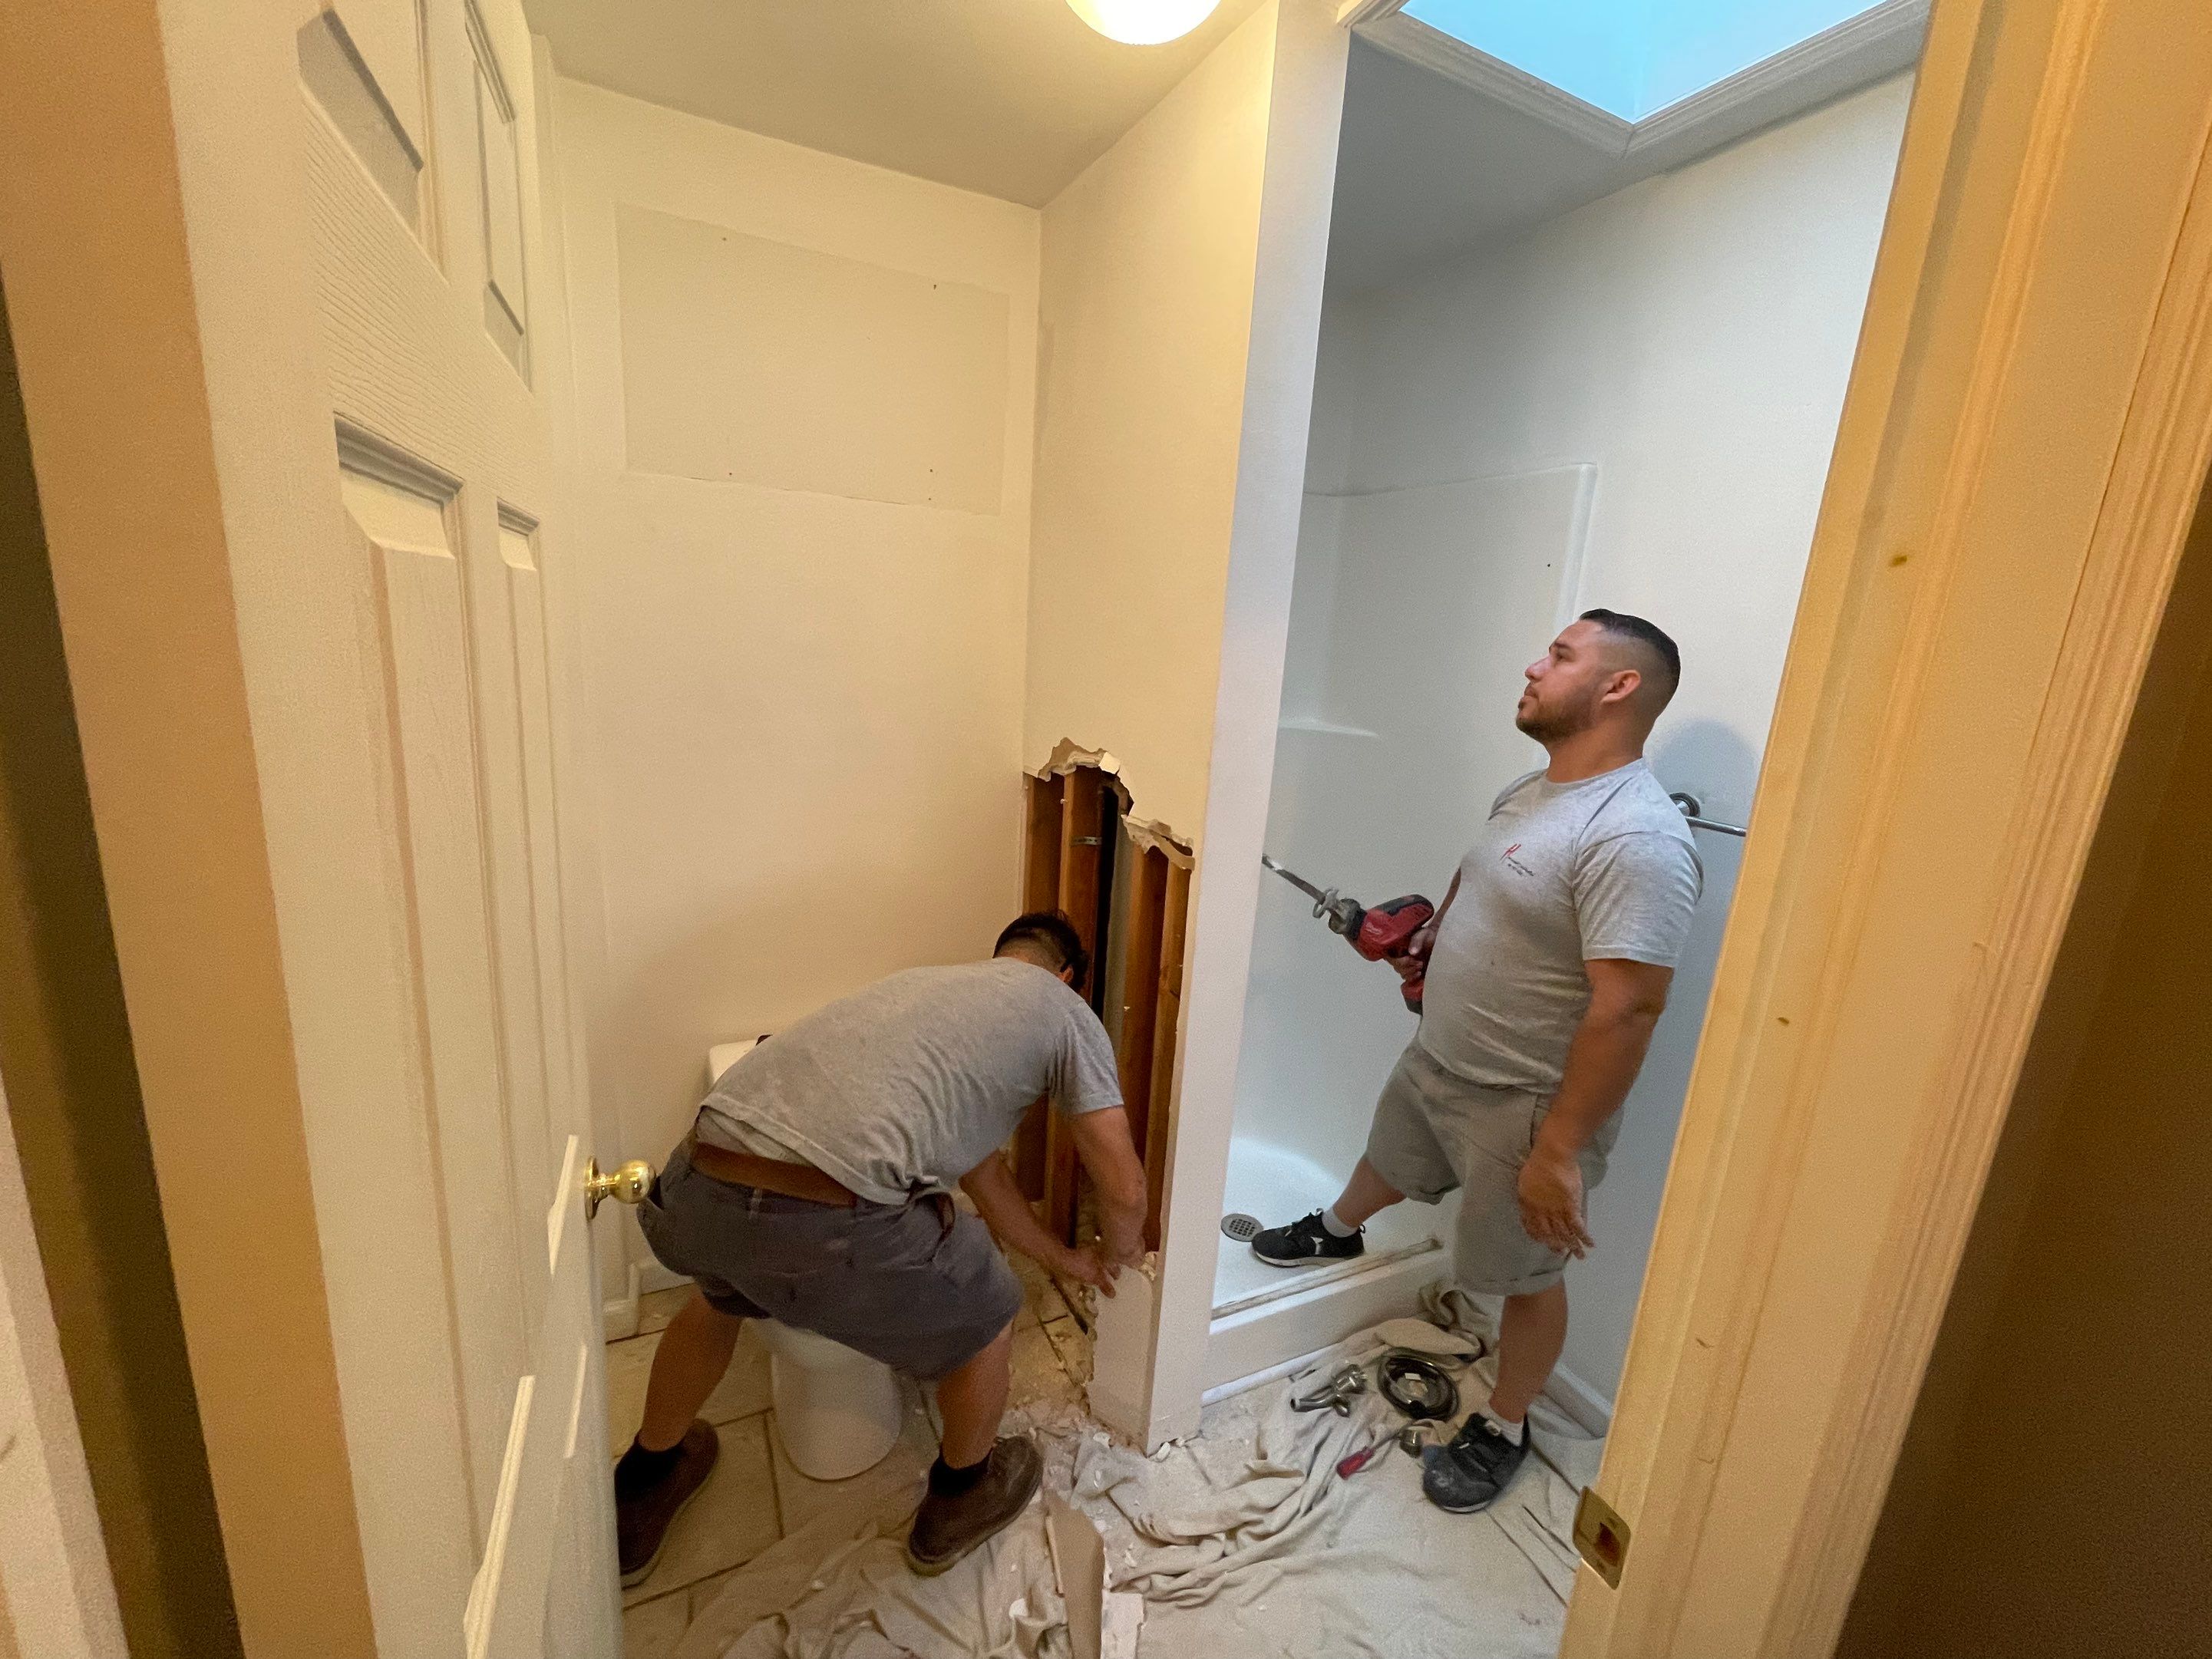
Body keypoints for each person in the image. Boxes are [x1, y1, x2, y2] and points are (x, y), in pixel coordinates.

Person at [1249, 610, 1702, 1515]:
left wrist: (1559, 1150)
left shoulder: (1634, 836)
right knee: (1389, 1155)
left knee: (1525, 1276)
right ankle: (1337, 1228)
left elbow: (1628, 1006)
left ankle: (1506, 1419)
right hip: (1442, 1055)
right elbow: (1476, 882)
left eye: (1561, 656)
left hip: (1523, 1103)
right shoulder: (1531, 789)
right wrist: (1428, 945)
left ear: (1618, 688)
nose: (1534, 664)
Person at [612, 912, 1149, 1583]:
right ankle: (963, 1495)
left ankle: (644, 1479)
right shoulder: (1065, 1013)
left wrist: (1063, 1259)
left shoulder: (936, 995)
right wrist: (1124, 1260)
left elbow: (988, 1183)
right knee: (990, 1316)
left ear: (1001, 959)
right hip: (823, 1214)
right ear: (1068, 978)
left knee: (723, 1298)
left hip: (697, 1179)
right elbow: (1123, 1187)